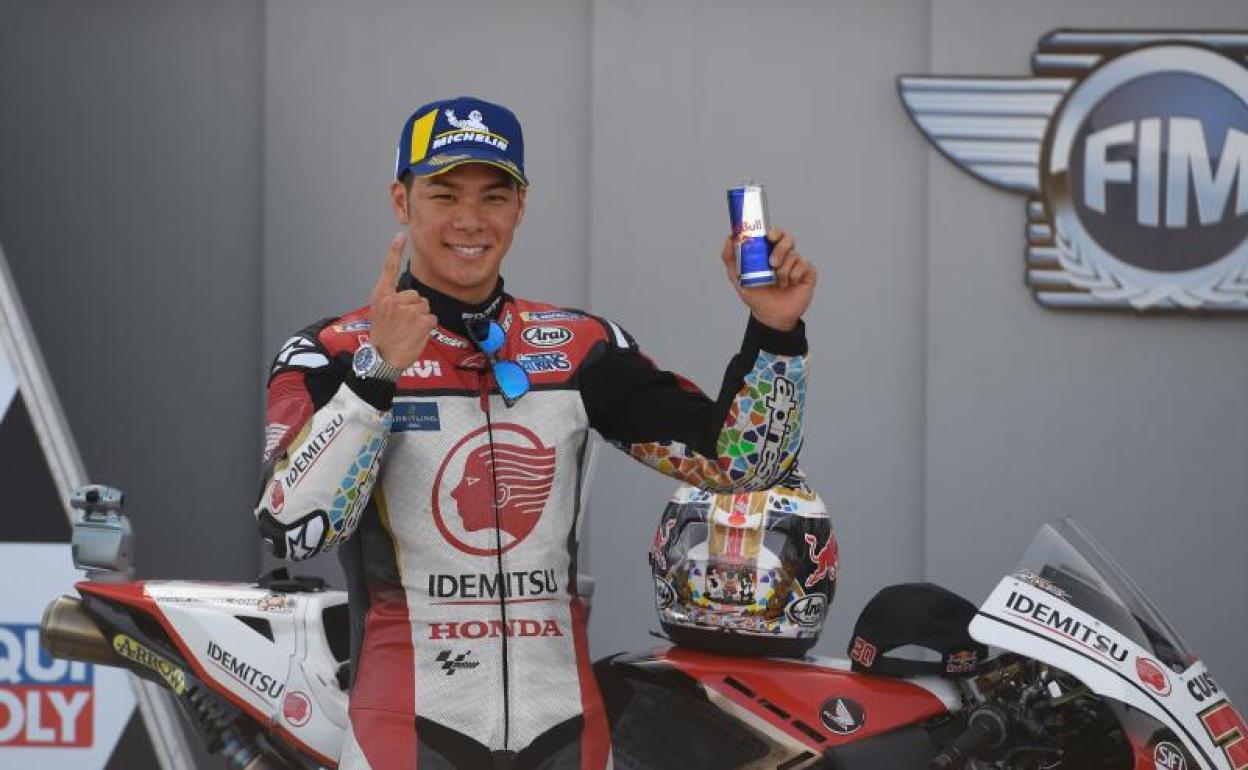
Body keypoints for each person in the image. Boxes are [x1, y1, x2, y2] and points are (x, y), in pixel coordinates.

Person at [254, 96, 816, 769]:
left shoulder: (581, 348)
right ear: (402, 201)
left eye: (494, 196)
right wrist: (378, 373)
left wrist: (774, 332)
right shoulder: (331, 351)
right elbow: (290, 526)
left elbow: (743, 468)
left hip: (566, 735)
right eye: (445, 194)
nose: (470, 220)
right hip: (406, 735)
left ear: (521, 207)